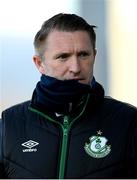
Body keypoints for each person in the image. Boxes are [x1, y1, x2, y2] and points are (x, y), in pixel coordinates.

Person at [0, 13, 137, 179]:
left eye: (83, 55)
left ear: (94, 56)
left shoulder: (128, 122)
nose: (76, 67)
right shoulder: (10, 126)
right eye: (63, 57)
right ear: (39, 63)